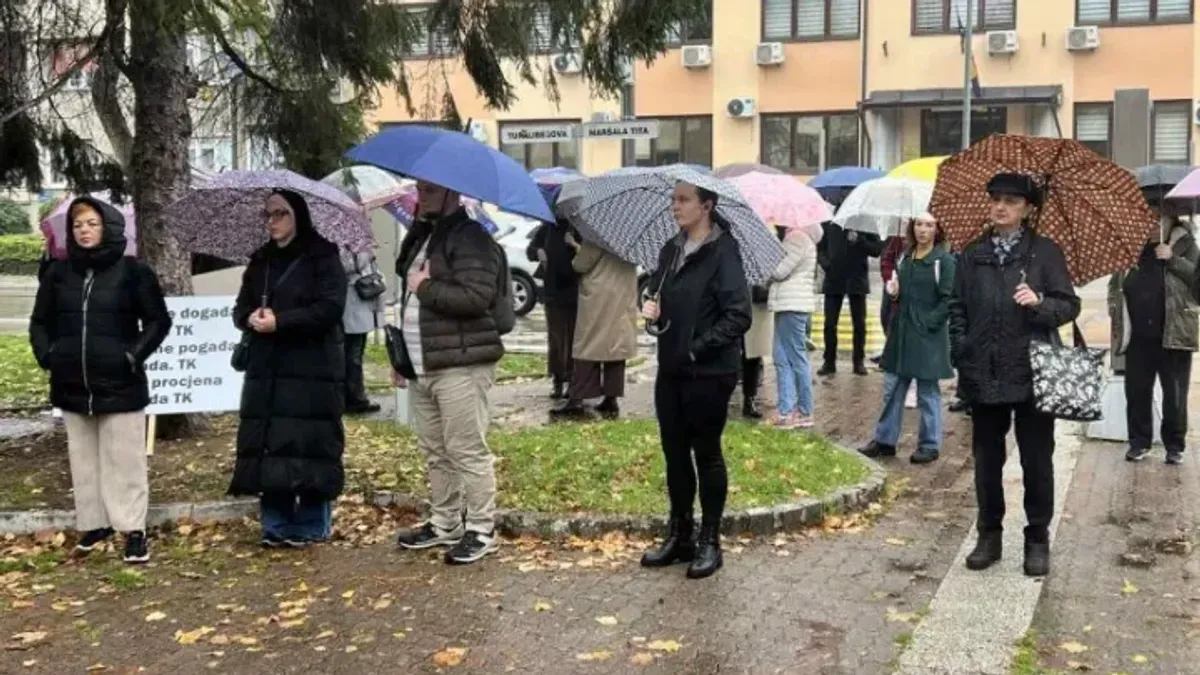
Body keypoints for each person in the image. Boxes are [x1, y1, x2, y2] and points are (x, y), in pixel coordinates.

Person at [950, 172, 1079, 577]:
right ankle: (989, 534)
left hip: (1032, 374)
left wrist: (1040, 303)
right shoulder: (972, 254)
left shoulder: (1045, 253)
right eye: (996, 199)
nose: (1001, 207)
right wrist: (963, 350)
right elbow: (957, 308)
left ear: (1027, 209)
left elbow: (1068, 305)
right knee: (986, 461)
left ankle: (1037, 537)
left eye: (1011, 201)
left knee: (1037, 461)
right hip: (983, 374)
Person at [29, 196, 171, 564]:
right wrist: (49, 355)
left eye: (92, 223)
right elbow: (40, 322)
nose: (84, 231)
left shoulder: (133, 271)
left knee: (125, 460)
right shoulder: (59, 272)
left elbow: (158, 322)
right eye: (78, 226)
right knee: (84, 459)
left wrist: (132, 355)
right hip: (71, 381)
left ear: (107, 226)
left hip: (120, 382)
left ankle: (133, 530)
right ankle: (95, 523)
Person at [640, 182, 751, 580]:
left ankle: (710, 541)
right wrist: (650, 306)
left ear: (707, 205)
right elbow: (658, 293)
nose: (675, 206)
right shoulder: (671, 249)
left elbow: (739, 315)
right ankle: (680, 534)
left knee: (706, 453)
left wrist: (697, 348)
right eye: (673, 199)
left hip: (709, 372)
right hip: (670, 368)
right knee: (674, 454)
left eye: (683, 200)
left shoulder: (725, 252)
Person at [392, 180, 504, 565]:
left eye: (431, 191)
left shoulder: (471, 237)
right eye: (420, 191)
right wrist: (401, 357)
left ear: (454, 194)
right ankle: (445, 522)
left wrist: (426, 287)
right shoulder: (424, 234)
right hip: (424, 363)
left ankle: (481, 529)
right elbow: (405, 289)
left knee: (466, 449)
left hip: (461, 363)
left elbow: (476, 298)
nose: (421, 198)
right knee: (435, 450)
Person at [230, 190, 348, 549]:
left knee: (310, 444)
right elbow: (240, 308)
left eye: (280, 213)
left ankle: (312, 523)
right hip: (267, 368)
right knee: (270, 445)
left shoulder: (323, 256)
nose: (272, 221)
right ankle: (275, 523)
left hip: (311, 367)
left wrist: (283, 321)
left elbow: (330, 308)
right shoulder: (261, 260)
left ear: (298, 215)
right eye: (267, 214)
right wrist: (250, 317)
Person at [859, 213, 956, 464]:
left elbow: (949, 300)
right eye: (919, 224)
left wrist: (929, 323)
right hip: (901, 333)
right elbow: (901, 294)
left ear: (938, 229)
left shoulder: (943, 261)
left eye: (930, 225)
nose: (924, 230)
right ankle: (884, 440)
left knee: (927, 391)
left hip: (927, 337)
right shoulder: (905, 256)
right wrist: (893, 294)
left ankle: (929, 444)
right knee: (893, 388)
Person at [1113, 194, 1198, 465]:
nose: (1149, 223)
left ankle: (1175, 445)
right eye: (1145, 217)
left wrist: (1172, 259)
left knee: (1174, 394)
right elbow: (1116, 286)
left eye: (1155, 217)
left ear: (1171, 217)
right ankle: (1139, 442)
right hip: (1137, 335)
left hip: (1173, 332)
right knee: (1137, 391)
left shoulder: (1187, 246)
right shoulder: (1131, 248)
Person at [550, 232, 639, 420]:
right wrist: (577, 245)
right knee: (615, 348)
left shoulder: (599, 234)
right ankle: (610, 398)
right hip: (622, 297)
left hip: (599, 298)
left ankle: (577, 398)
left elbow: (581, 264)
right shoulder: (631, 238)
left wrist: (575, 248)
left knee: (588, 346)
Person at [767, 224, 820, 429]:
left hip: (792, 304)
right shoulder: (801, 238)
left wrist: (768, 258)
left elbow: (780, 271)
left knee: (795, 358)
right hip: (791, 303)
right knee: (782, 357)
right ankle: (786, 411)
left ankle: (803, 411)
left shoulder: (796, 238)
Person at [817, 220, 884, 376]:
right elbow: (820, 249)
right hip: (833, 280)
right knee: (830, 324)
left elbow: (876, 249)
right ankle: (829, 361)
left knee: (859, 323)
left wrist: (859, 240)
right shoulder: (829, 222)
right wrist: (828, 265)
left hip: (857, 279)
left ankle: (858, 361)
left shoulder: (865, 222)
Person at [527, 218, 580, 400]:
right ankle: (557, 380)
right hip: (552, 291)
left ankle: (573, 381)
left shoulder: (578, 228)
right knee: (556, 339)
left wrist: (574, 244)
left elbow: (588, 256)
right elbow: (530, 251)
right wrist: (538, 251)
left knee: (574, 338)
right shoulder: (547, 228)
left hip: (575, 291)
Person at [341, 247, 384, 415]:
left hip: (361, 302)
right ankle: (354, 399)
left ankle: (355, 396)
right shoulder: (344, 240)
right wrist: (366, 254)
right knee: (352, 354)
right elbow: (348, 265)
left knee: (355, 352)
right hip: (352, 302)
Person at [873, 232, 906, 365]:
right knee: (885, 316)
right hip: (892, 283)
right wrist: (889, 278)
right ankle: (889, 349)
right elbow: (887, 258)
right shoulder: (896, 236)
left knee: (896, 320)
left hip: (909, 287)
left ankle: (893, 354)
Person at [741, 287, 772, 419]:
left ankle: (749, 399)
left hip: (753, 306)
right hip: (729, 306)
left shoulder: (760, 269)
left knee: (753, 354)